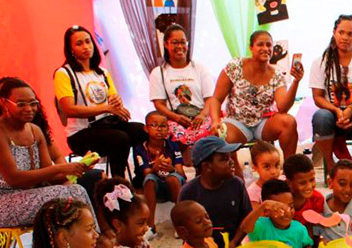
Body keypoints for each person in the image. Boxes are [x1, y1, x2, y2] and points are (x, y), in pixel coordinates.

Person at [0, 77, 92, 227]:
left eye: (33, 104)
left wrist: (80, 167)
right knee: (68, 195)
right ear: (4, 103)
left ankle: (91, 242)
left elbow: (50, 177)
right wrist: (60, 168)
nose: (29, 109)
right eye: (21, 104)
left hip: (32, 194)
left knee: (77, 190)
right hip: (2, 202)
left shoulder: (35, 131)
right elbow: (14, 179)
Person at [54, 25, 146, 179]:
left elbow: (113, 102)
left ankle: (140, 177)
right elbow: (69, 109)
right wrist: (107, 108)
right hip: (81, 133)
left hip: (107, 124)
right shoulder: (64, 73)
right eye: (79, 44)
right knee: (119, 139)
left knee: (141, 130)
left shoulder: (102, 72)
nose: (86, 47)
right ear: (70, 49)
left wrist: (118, 104)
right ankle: (118, 182)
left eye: (88, 41)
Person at [310, 15, 352, 187]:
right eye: (341, 32)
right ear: (334, 33)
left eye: (350, 34)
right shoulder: (320, 62)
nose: (345, 37)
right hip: (332, 118)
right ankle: (331, 165)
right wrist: (336, 111)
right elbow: (318, 97)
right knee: (320, 116)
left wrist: (350, 110)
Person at [211, 30, 303, 158]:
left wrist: (296, 82)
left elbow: (283, 107)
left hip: (263, 123)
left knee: (289, 121)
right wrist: (215, 121)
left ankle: (289, 170)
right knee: (222, 135)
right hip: (237, 123)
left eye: (269, 45)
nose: (265, 49)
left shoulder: (277, 75)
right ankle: (236, 176)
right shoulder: (235, 67)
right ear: (251, 48)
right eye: (260, 45)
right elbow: (216, 99)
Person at [178, 136, 252, 248]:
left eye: (230, 157)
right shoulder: (189, 192)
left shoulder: (236, 184)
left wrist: (234, 243)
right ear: (207, 166)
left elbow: (247, 218)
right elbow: (183, 229)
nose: (231, 162)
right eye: (224, 159)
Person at [148, 23, 215, 153]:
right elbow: (159, 104)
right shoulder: (158, 72)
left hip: (201, 117)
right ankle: (182, 165)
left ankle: (204, 163)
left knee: (215, 129)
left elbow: (210, 99)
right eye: (174, 42)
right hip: (175, 119)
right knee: (174, 132)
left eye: (183, 42)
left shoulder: (200, 68)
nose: (179, 46)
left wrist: (202, 116)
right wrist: (176, 117)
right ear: (166, 45)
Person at [136, 111, 186, 235]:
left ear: (168, 129)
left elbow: (181, 173)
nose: (159, 129)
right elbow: (146, 172)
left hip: (173, 184)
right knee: (149, 179)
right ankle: (150, 226)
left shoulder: (173, 146)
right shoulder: (140, 148)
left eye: (163, 126)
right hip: (156, 187)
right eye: (154, 125)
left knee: (172, 178)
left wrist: (171, 169)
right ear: (146, 128)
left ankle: (181, 224)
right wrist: (156, 167)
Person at [239, 178, 314, 248]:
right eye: (280, 209)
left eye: (291, 207)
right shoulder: (261, 226)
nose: (287, 212)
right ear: (267, 211)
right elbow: (245, 228)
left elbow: (308, 247)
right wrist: (263, 206)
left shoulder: (299, 229)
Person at [316, 160, 352, 241]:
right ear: (330, 183)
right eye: (342, 183)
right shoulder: (319, 209)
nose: (348, 189)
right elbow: (315, 241)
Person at [283, 153, 325, 239]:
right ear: (289, 183)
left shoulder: (317, 199)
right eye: (302, 183)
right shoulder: (280, 199)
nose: (309, 186)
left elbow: (314, 228)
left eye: (312, 180)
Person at [245, 140, 282, 206]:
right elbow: (256, 215)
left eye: (277, 165)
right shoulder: (253, 193)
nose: (273, 172)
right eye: (267, 167)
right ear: (255, 167)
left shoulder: (284, 183)